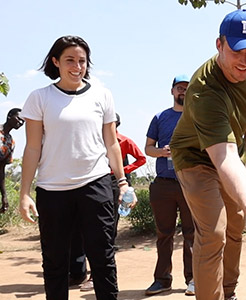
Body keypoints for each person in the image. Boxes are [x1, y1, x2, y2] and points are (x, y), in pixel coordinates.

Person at [169, 9, 246, 300]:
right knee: (213, 233)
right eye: (237, 51)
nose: (245, 62)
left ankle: (228, 292)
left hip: (232, 150)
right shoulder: (203, 90)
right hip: (196, 157)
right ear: (219, 45)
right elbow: (224, 157)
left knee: (235, 228)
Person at [18, 35, 135, 300]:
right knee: (56, 262)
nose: (77, 66)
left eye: (82, 61)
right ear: (55, 62)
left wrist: (123, 182)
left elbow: (112, 144)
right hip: (52, 190)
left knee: (103, 257)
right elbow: (33, 148)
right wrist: (25, 193)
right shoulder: (39, 98)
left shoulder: (102, 95)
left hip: (96, 185)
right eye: (70, 60)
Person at [70, 112, 147, 292]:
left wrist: (122, 170)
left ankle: (97, 277)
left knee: (106, 230)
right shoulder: (94, 141)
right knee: (86, 228)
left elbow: (141, 159)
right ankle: (81, 272)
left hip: (113, 185)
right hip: (93, 183)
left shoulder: (123, 141)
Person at [144, 74, 195, 296]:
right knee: (164, 234)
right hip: (164, 184)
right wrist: (162, 152)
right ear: (172, 91)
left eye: (187, 88)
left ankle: (193, 279)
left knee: (191, 234)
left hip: (190, 183)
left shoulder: (197, 117)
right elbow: (148, 148)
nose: (183, 91)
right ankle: (162, 279)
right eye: (179, 88)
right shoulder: (159, 117)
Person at [0, 108, 24, 214]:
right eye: (19, 118)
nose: (21, 122)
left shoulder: (10, 142)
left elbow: (1, 170)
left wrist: (4, 196)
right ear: (9, 116)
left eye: (23, 121)